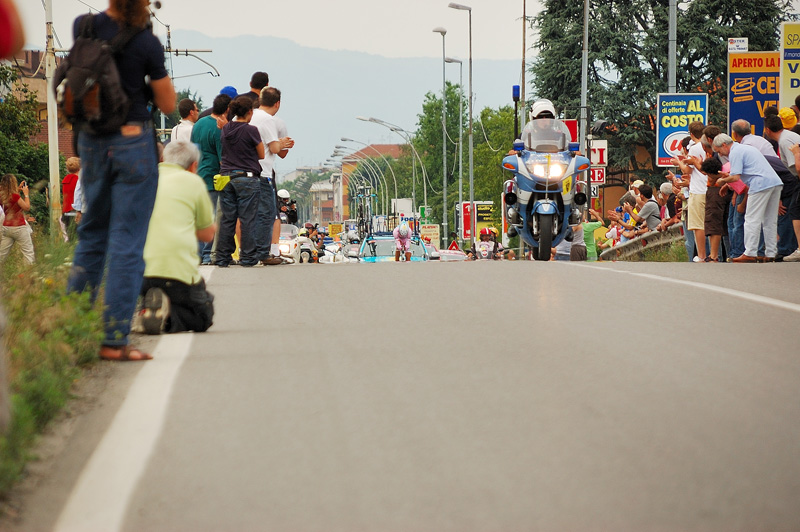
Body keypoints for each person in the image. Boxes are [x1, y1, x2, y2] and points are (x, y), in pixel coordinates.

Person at [66, 0, 176, 362]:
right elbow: (168, 103)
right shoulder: (146, 42)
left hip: (92, 142)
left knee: (92, 234)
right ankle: (113, 340)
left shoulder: (84, 25)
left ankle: (71, 332)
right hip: (132, 142)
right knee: (127, 241)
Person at [138, 141, 215, 334]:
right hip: (177, 272)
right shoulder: (193, 182)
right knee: (203, 316)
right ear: (193, 166)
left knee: (157, 288)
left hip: (139, 271)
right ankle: (168, 312)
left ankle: (149, 310)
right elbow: (207, 235)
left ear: (164, 159)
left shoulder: (143, 179)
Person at [712, 134, 783, 262]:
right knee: (770, 219)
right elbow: (743, 171)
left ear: (724, 145)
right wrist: (728, 176)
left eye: (719, 151)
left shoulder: (735, 152)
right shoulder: (746, 148)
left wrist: (722, 180)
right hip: (774, 182)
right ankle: (771, 252)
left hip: (759, 184)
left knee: (751, 218)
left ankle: (750, 252)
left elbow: (736, 177)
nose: (721, 155)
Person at [215, 95, 266, 267]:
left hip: (227, 178)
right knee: (247, 219)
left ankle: (222, 257)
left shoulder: (226, 128)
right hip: (247, 179)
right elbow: (261, 154)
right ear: (250, 112)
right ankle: (247, 257)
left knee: (227, 219)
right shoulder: (251, 130)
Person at [249, 87, 294, 265]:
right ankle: (262, 252)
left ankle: (248, 252)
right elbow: (277, 150)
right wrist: (284, 143)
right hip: (263, 173)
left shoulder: (249, 115)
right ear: (278, 103)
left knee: (247, 215)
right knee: (267, 214)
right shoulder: (269, 121)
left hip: (246, 171)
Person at [191, 92, 231, 265]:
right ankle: (207, 254)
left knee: (199, 216)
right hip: (213, 178)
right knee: (211, 217)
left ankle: (198, 254)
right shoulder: (218, 128)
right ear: (227, 109)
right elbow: (224, 160)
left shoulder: (198, 124)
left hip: (198, 174)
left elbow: (193, 148)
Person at [0, 173, 34, 264]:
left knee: (2, 254)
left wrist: (17, 190)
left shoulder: (2, 196)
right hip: (19, 227)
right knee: (28, 252)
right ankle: (28, 273)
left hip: (6, 228)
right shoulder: (15, 196)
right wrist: (26, 195)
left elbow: (11, 204)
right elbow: (26, 207)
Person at [61, 157, 80, 241]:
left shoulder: (65, 180)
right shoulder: (78, 180)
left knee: (71, 239)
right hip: (76, 211)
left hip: (66, 211)